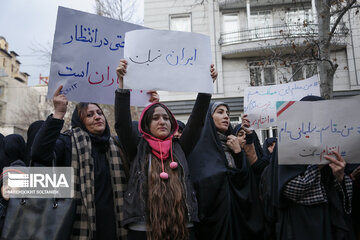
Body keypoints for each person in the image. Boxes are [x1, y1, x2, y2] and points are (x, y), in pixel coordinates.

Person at [115, 59, 217, 240]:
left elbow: (197, 121)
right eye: (155, 118)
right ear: (146, 125)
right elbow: (122, 124)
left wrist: (206, 87)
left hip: (183, 227)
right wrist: (122, 86)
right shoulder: (138, 149)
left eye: (166, 118)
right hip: (142, 228)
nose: (162, 121)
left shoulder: (180, 148)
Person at [31, 86, 128, 240]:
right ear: (80, 121)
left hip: (114, 227)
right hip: (79, 226)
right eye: (89, 115)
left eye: (99, 113)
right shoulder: (68, 142)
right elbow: (39, 153)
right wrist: (58, 114)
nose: (97, 117)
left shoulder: (116, 145)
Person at [275, 95, 354, 240]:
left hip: (330, 219)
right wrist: (317, 165)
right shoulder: (287, 144)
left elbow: (339, 191)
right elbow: (291, 189)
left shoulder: (332, 146)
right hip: (300, 222)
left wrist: (340, 177)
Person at [187, 102, 264, 240]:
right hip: (213, 222)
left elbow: (246, 181)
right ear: (208, 117)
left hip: (237, 218)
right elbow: (200, 181)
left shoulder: (232, 146)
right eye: (220, 112)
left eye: (228, 114)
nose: (226, 117)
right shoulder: (198, 147)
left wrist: (238, 153)